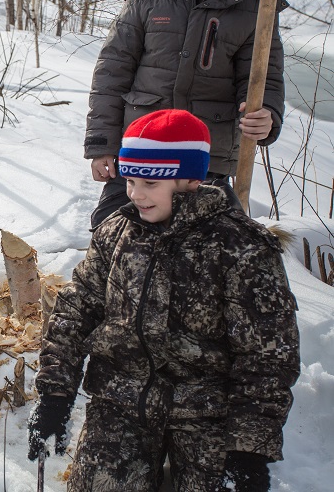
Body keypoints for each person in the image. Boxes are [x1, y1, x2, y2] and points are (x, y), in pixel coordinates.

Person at [28, 109, 300, 492]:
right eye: (131, 180)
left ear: (192, 179)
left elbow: (268, 356)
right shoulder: (116, 232)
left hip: (207, 410)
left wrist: (248, 450)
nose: (136, 194)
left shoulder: (241, 247)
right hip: (122, 399)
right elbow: (75, 311)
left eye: (150, 184)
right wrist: (55, 394)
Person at [85, 0, 287, 228]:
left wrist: (267, 114)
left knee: (202, 252)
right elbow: (112, 70)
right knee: (113, 234)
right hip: (139, 151)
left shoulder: (255, 8)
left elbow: (263, 78)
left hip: (204, 159)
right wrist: (102, 144)